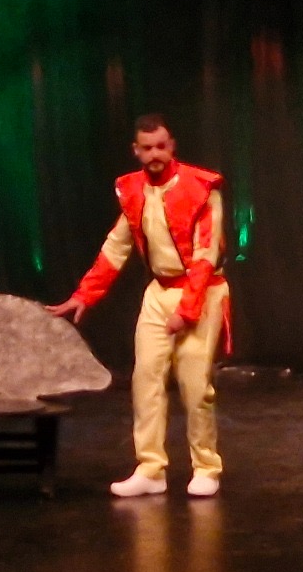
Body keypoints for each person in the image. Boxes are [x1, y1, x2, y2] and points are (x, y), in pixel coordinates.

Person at [48, 114, 231, 498]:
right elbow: (117, 246)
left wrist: (187, 310)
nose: (154, 154)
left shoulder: (201, 188)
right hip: (159, 291)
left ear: (172, 146)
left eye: (161, 146)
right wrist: (85, 294)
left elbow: (205, 254)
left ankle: (206, 467)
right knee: (145, 379)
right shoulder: (134, 190)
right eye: (147, 148)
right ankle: (150, 468)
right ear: (136, 151)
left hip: (201, 290)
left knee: (195, 384)